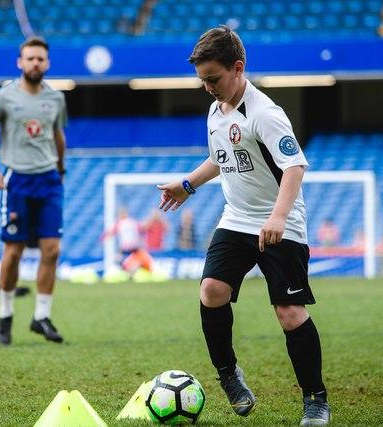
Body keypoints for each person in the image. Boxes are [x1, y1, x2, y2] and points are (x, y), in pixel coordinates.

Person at [156, 26, 330, 426]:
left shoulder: (266, 113)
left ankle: (315, 399)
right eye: (202, 80)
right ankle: (229, 375)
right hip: (236, 218)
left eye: (213, 79)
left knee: (289, 312)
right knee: (211, 291)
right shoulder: (216, 110)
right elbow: (221, 156)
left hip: (281, 220)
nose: (207, 88)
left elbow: (294, 166)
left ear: (238, 68)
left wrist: (278, 217)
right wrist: (187, 185)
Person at [0, 36, 67, 345]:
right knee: (13, 252)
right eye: (30, 58)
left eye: (40, 59)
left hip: (49, 179)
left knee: (51, 249)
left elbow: (58, 136)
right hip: (17, 181)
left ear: (47, 63)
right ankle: (5, 316)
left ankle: (41, 317)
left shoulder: (56, 98)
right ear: (20, 62)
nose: (35, 63)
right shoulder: (4, 96)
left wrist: (61, 169)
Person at [102, 208, 154, 275]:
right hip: (131, 248)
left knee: (126, 263)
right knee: (128, 263)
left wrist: (103, 237)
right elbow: (142, 228)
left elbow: (111, 232)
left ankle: (129, 272)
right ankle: (130, 272)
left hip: (129, 248)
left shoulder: (120, 223)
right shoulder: (132, 222)